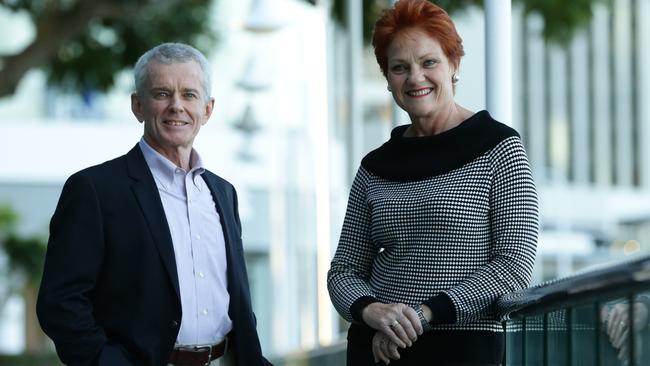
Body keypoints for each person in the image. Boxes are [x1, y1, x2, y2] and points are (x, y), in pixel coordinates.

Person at [327, 1, 539, 365]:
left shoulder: (499, 148)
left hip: (461, 348)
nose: (415, 78)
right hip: (375, 349)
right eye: (399, 67)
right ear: (387, 77)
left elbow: (513, 265)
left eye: (429, 62)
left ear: (454, 65)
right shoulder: (374, 166)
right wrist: (372, 311)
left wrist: (420, 316)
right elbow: (344, 271)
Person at [37, 43, 272, 366]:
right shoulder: (95, 189)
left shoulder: (223, 192)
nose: (176, 106)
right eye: (162, 93)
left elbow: (236, 298)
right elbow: (60, 303)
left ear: (207, 109)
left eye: (189, 95)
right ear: (137, 105)